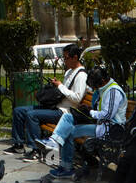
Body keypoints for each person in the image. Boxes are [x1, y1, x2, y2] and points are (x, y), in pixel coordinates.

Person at [7, 44, 89, 176]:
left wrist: (60, 86)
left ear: (75, 57)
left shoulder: (81, 76)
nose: (64, 61)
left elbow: (77, 98)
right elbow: (64, 91)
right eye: (63, 58)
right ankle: (18, 144)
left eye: (66, 58)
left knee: (32, 115)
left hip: (65, 112)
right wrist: (57, 86)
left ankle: (35, 150)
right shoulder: (69, 72)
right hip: (55, 106)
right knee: (19, 110)